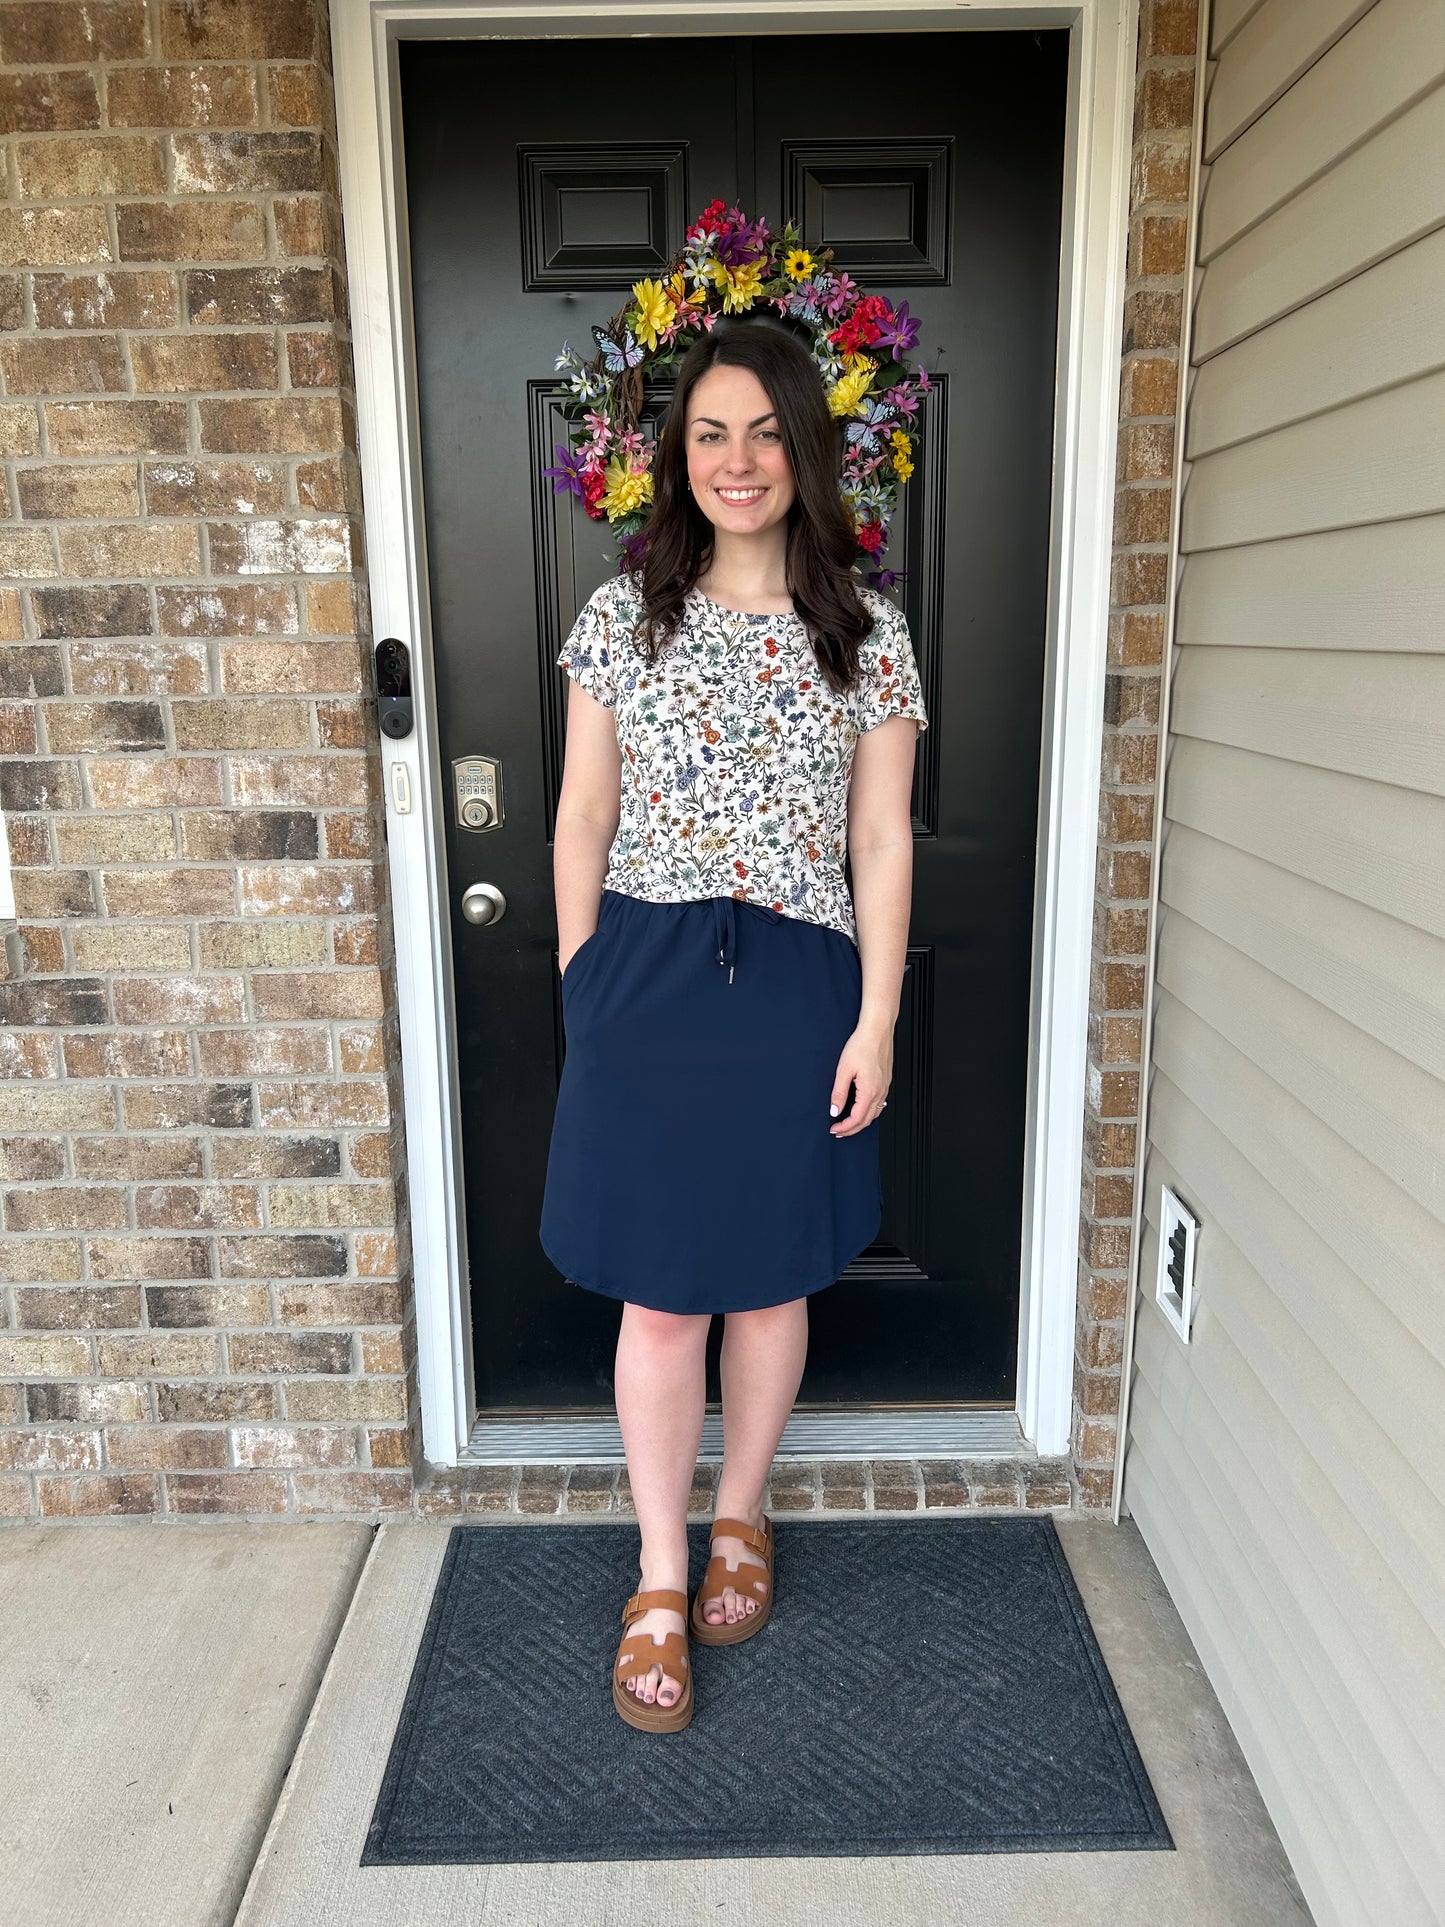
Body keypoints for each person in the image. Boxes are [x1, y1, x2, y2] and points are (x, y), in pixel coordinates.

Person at [539, 319, 929, 1733]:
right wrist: (584, 977)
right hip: (641, 971)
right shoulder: (621, 614)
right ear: (675, 455)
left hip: (795, 983)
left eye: (764, 431)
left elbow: (881, 840)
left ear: (806, 450)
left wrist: (875, 1017)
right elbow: (581, 813)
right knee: (659, 1292)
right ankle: (656, 1571)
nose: (737, 460)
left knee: (767, 1282)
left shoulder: (865, 632)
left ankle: (741, 1519)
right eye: (710, 432)